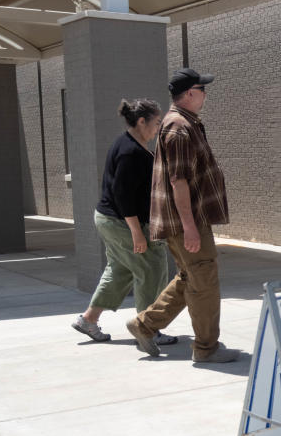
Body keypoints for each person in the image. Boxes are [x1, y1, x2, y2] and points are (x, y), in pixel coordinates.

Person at [125, 68, 240, 362]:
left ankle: (144, 325)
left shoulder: (185, 123)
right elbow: (179, 181)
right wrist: (189, 226)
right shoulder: (179, 129)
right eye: (203, 89)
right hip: (186, 221)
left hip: (189, 219)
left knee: (191, 277)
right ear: (190, 93)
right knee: (204, 283)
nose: (205, 95)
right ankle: (206, 349)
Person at [71, 99, 176, 347]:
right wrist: (137, 233)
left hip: (110, 220)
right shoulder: (130, 151)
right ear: (141, 121)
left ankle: (89, 319)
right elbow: (122, 195)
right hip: (121, 222)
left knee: (121, 270)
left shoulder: (131, 145)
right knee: (151, 268)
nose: (158, 127)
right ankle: (148, 328)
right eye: (156, 122)